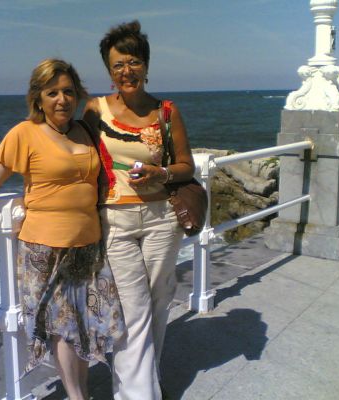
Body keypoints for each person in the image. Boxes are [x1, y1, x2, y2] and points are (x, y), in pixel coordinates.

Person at [0, 58, 125, 400]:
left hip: (88, 246)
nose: (62, 99)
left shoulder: (85, 130)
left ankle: (82, 393)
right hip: (45, 249)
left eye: (68, 91)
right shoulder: (24, 133)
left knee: (82, 328)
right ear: (38, 98)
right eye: (52, 93)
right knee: (61, 329)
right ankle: (78, 397)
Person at [83, 21, 194, 400]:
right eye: (117, 65)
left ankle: (147, 381)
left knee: (159, 300)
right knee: (133, 308)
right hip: (116, 220)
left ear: (146, 65)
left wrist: (160, 173)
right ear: (109, 71)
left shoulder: (166, 111)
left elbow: (186, 166)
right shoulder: (95, 110)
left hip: (163, 218)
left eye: (133, 62)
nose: (126, 71)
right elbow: (75, 158)